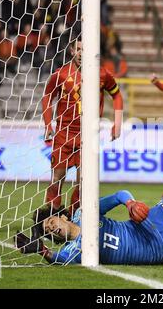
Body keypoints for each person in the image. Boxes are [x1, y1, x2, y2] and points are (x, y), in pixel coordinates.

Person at [15, 187, 163, 265]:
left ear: (63, 216)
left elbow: (120, 195)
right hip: (158, 249)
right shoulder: (75, 251)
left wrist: (130, 203)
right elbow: (56, 259)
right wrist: (41, 250)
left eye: (51, 222)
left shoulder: (85, 213)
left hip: (149, 220)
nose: (51, 229)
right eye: (48, 231)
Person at [39, 38, 124, 223]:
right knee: (57, 178)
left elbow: (117, 95)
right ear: (71, 51)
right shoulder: (60, 74)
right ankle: (52, 216)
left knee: (84, 182)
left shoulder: (103, 74)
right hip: (64, 134)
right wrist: (48, 124)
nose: (81, 53)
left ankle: (74, 218)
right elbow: (47, 97)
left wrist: (117, 123)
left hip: (88, 136)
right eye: (78, 49)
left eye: (85, 49)